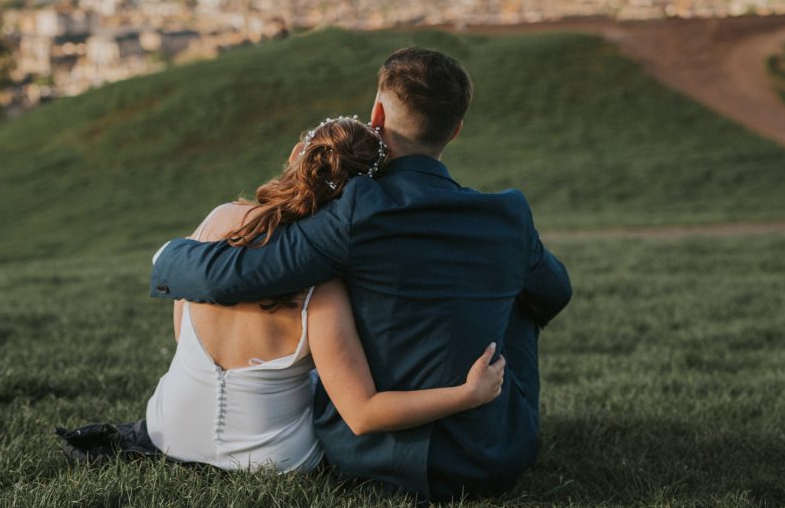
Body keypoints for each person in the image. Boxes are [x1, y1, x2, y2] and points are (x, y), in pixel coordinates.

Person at [151, 47, 573, 501]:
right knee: (523, 301)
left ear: (376, 115)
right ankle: (491, 412)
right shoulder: (508, 216)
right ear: (455, 130)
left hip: (370, 460)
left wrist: (169, 255)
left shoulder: (356, 209)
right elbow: (556, 292)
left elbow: (231, 276)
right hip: (492, 460)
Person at [57, 116, 506, 471]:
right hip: (274, 460)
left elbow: (182, 336)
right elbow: (363, 413)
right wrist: (467, 394)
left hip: (167, 431)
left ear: (297, 155)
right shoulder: (326, 286)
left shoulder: (218, 220)